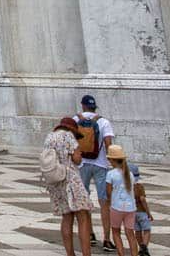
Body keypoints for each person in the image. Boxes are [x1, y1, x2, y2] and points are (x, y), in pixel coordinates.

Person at [43, 117, 94, 256]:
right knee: (83, 216)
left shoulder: (49, 138)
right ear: (72, 129)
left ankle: (70, 254)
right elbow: (77, 160)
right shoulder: (69, 136)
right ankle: (86, 254)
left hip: (56, 181)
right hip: (71, 179)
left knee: (66, 217)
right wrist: (79, 154)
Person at [75, 95, 115, 249]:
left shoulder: (76, 119)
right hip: (101, 165)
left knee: (84, 200)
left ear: (83, 106)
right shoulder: (103, 122)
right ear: (94, 107)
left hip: (82, 164)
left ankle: (89, 233)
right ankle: (106, 239)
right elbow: (108, 144)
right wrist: (113, 164)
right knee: (104, 202)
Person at [104, 145, 139, 255]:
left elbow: (108, 192)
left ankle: (121, 254)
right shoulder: (130, 174)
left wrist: (109, 202)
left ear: (111, 160)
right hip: (131, 208)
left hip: (116, 207)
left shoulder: (111, 174)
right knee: (130, 234)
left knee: (116, 232)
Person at [133, 176, 153, 256]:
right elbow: (142, 199)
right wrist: (148, 212)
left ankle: (141, 247)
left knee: (137, 231)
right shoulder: (139, 186)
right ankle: (144, 248)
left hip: (132, 212)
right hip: (142, 212)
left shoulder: (127, 187)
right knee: (147, 230)